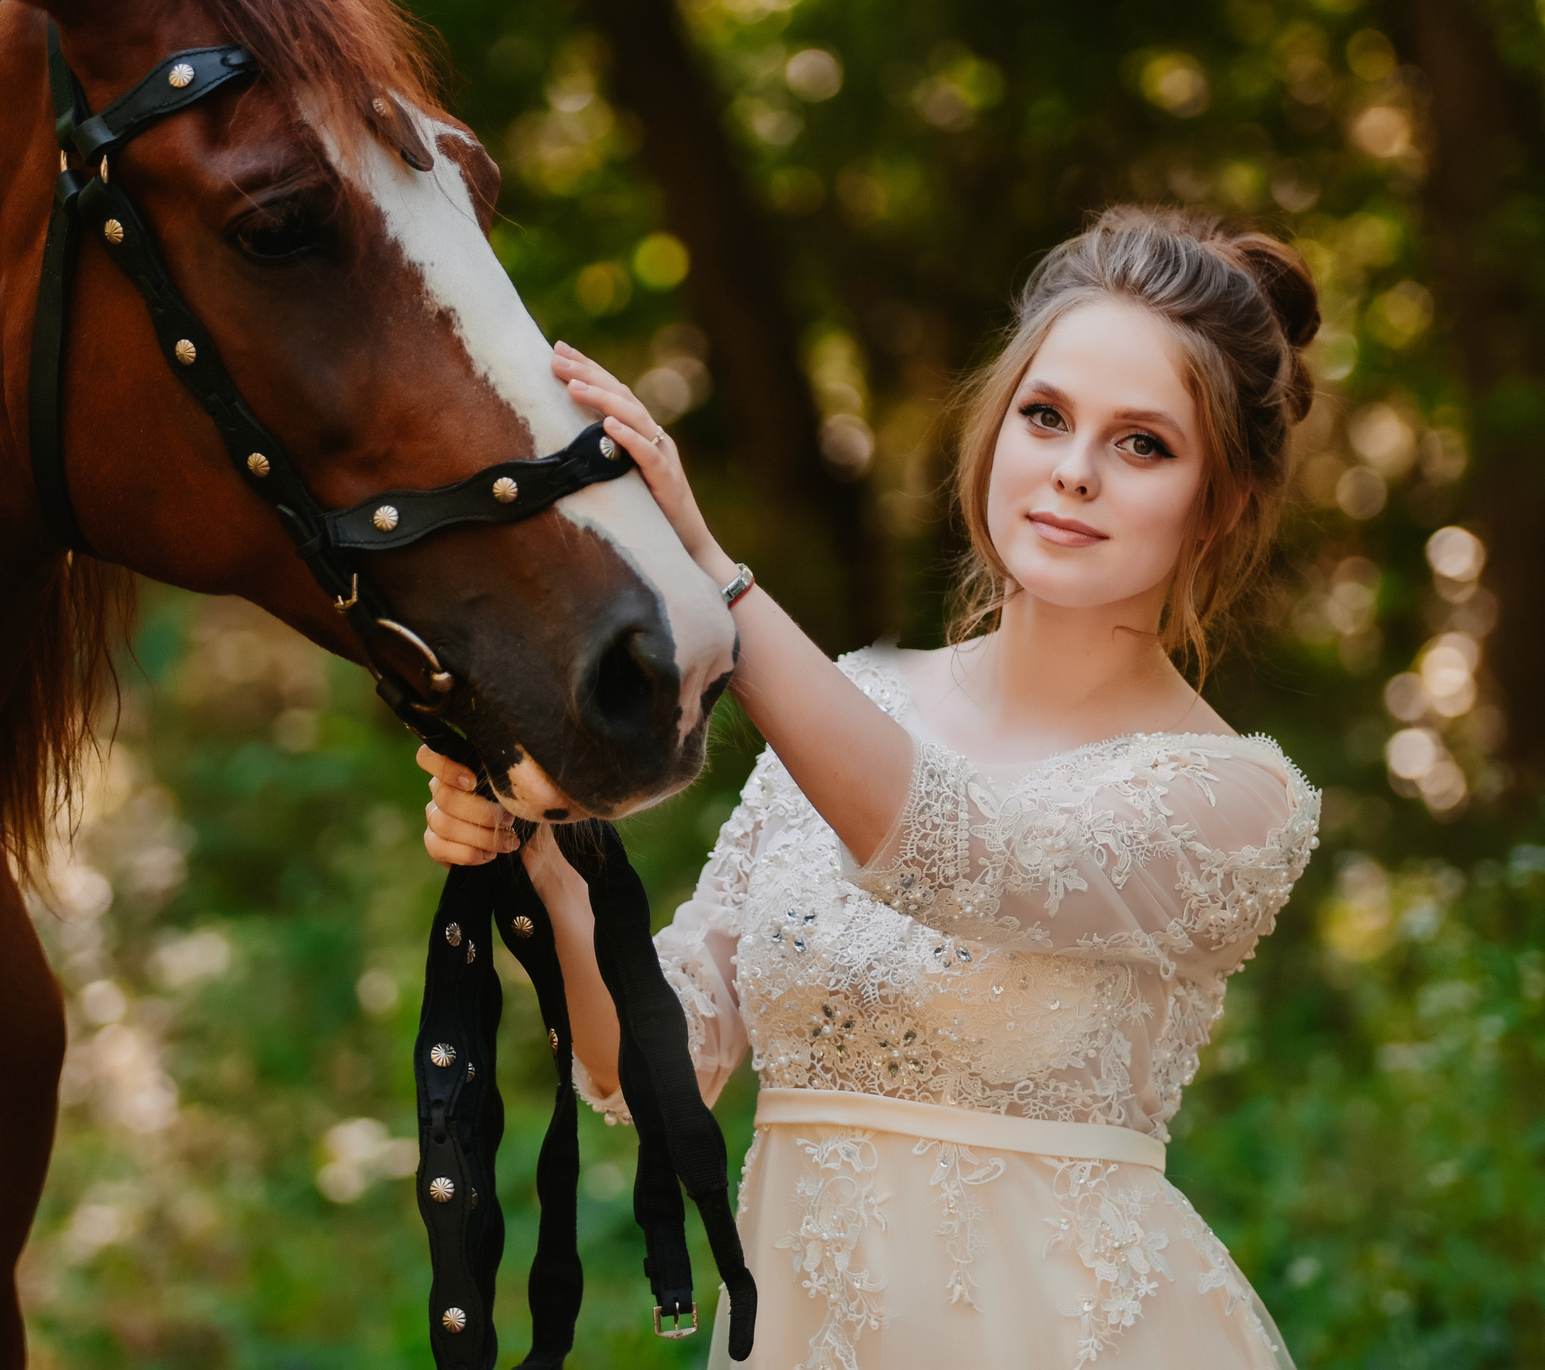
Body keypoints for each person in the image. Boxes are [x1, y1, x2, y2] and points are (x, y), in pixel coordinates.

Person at [421, 205, 1324, 1369]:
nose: (1073, 473)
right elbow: (658, 1065)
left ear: (1224, 500)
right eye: (1045, 417)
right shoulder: (860, 698)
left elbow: (956, 852)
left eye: (1142, 444)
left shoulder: (1235, 799)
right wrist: (545, 857)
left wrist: (706, 573)